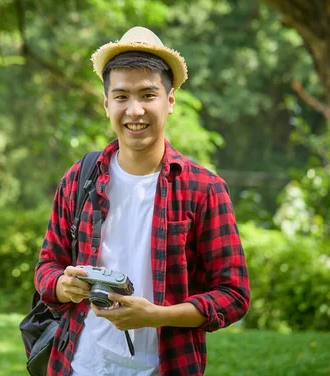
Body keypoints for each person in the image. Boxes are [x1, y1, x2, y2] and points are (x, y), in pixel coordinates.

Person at [34, 26, 250, 376]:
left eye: (148, 95)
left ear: (170, 101)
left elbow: (234, 294)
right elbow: (47, 266)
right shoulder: (79, 178)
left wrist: (157, 315)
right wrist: (62, 285)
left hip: (165, 366)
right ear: (106, 105)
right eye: (121, 97)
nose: (134, 110)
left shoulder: (204, 189)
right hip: (78, 363)